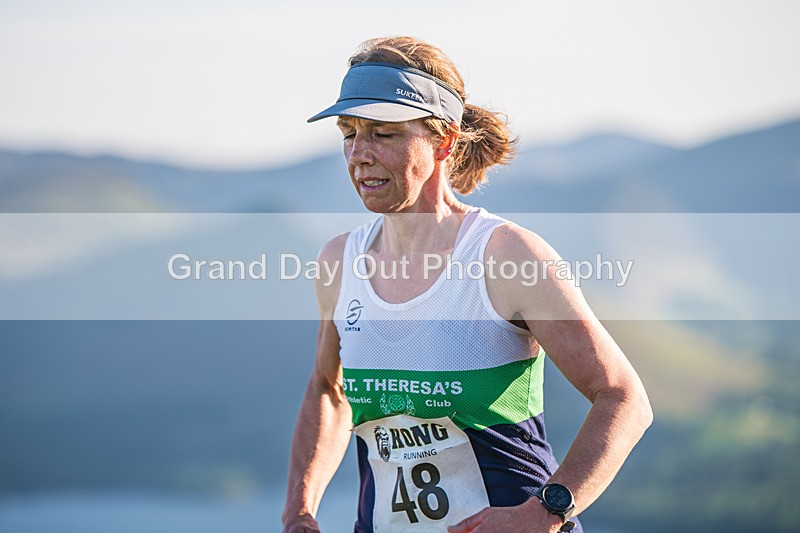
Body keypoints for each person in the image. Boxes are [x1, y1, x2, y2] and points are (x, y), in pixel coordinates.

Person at [282, 36, 652, 533]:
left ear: (444, 140)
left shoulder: (506, 256)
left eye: (383, 134)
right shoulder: (339, 262)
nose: (360, 154)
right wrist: (299, 512)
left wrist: (545, 512)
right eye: (349, 133)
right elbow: (329, 391)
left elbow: (624, 398)